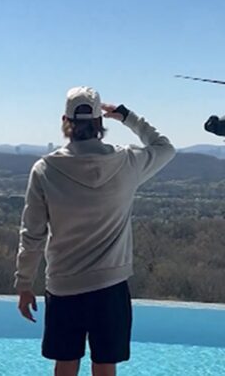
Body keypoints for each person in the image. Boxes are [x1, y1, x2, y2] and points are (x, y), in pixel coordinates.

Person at [14, 86, 175, 376]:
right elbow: (165, 147)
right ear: (100, 122)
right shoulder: (127, 162)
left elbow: (33, 234)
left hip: (63, 285)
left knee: (65, 364)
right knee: (105, 364)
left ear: (65, 121)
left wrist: (24, 283)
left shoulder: (45, 170)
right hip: (110, 285)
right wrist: (127, 116)